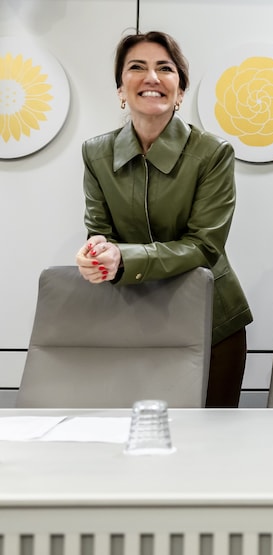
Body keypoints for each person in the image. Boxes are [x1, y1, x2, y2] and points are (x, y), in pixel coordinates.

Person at [74, 31, 252, 406]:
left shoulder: (213, 153)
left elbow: (205, 246)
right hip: (132, 318)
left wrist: (125, 258)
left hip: (212, 320)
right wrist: (94, 255)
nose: (151, 77)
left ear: (180, 91)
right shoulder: (95, 153)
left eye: (164, 68)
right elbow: (100, 233)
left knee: (211, 444)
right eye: (136, 67)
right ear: (121, 89)